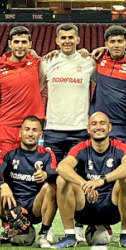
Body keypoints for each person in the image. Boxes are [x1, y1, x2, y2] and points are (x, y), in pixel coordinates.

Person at [50, 113, 126, 249]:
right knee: (62, 179)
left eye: (102, 123)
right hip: (84, 205)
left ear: (110, 127)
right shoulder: (81, 147)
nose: (98, 127)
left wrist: (101, 180)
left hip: (113, 207)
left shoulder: (120, 147)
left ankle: (125, 236)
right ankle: (70, 235)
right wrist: (84, 183)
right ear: (88, 129)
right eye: (94, 124)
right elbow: (62, 167)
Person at [0, 116, 58, 248]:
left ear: (40, 135)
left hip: (35, 207)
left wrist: (46, 174)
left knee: (51, 187)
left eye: (35, 130)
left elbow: (55, 174)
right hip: (11, 207)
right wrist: (3, 185)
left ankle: (43, 235)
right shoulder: (10, 153)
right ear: (20, 132)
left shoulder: (47, 154)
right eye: (27, 129)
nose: (30, 133)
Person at [40, 23, 95, 155]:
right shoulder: (47, 62)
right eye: (63, 38)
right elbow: (36, 88)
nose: (67, 41)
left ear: (78, 39)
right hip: (53, 129)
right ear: (57, 40)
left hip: (80, 129)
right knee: (52, 173)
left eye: (71, 37)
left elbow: (105, 83)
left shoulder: (89, 62)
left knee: (78, 174)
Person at [0, 27, 44, 154]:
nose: (20, 46)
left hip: (32, 125)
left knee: (32, 166)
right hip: (7, 125)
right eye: (16, 42)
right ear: (10, 43)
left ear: (30, 44)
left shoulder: (36, 62)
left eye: (24, 42)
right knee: (4, 164)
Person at [92, 25, 126, 141]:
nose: (116, 45)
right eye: (112, 41)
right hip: (100, 123)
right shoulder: (99, 58)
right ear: (106, 44)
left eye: (120, 41)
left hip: (124, 124)